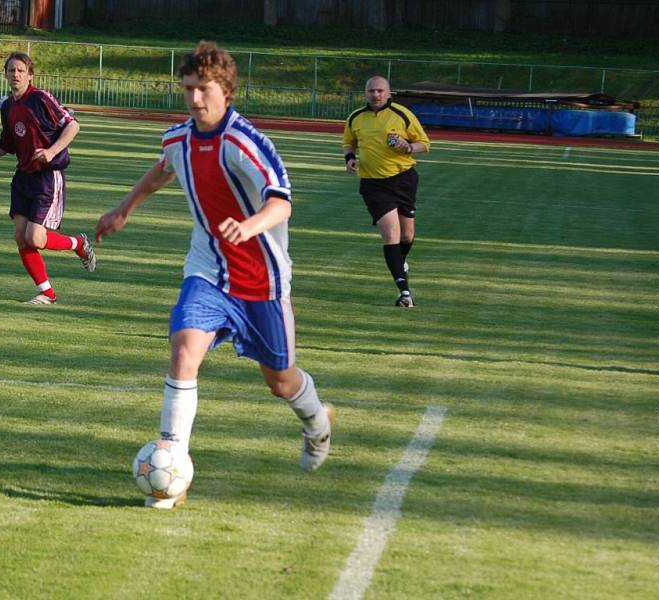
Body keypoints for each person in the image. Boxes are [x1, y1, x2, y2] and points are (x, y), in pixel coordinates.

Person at [95, 41, 333, 509]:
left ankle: (318, 423)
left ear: (225, 90)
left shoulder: (246, 142)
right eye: (188, 89)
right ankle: (171, 470)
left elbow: (281, 201)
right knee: (184, 349)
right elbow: (164, 171)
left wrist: (248, 226)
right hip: (207, 272)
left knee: (280, 381)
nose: (194, 98)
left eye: (203, 89)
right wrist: (123, 209)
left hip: (262, 281)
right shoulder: (179, 139)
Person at [0, 52, 96, 305]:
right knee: (21, 236)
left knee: (35, 238)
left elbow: (73, 125)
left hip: (46, 179)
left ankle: (78, 244)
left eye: (20, 70)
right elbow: (7, 143)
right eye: (11, 70)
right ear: (5, 74)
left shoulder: (40, 98)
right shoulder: (7, 105)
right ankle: (47, 293)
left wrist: (51, 151)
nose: (15, 75)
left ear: (30, 75)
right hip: (23, 178)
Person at [343, 75, 430, 308]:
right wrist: (349, 158)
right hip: (373, 184)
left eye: (380, 91)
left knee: (407, 235)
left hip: (404, 180)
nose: (376, 95)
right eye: (371, 91)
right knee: (391, 234)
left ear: (389, 92)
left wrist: (409, 147)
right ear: (365, 93)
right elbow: (349, 142)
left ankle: (400, 262)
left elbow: (425, 143)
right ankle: (404, 292)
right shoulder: (355, 118)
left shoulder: (403, 114)